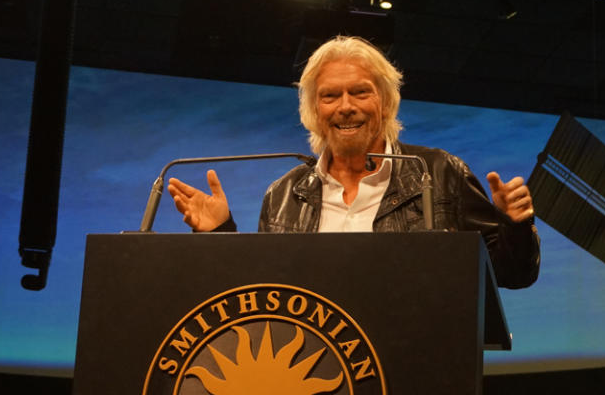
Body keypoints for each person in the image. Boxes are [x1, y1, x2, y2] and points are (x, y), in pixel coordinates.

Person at [168, 36, 539, 288]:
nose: (345, 106)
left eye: (360, 92)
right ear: (315, 110)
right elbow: (266, 297)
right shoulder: (282, 195)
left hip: (417, 369)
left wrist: (515, 225)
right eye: (330, 96)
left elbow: (511, 274)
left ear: (385, 102)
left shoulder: (440, 172)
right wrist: (220, 235)